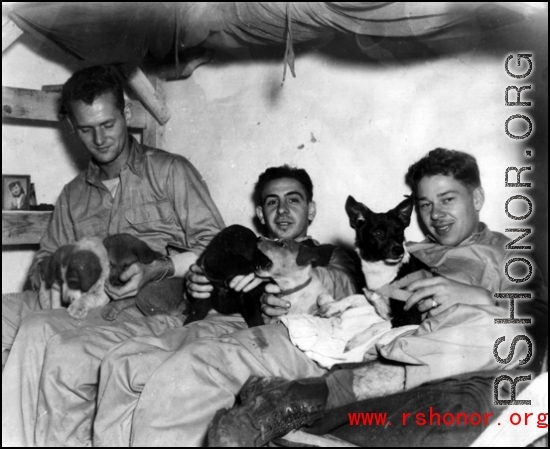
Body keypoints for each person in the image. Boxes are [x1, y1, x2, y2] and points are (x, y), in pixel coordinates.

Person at [132, 148, 547, 447]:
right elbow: (353, 289)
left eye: (448, 199)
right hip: (386, 339)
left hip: (449, 335)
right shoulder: (411, 252)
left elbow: (537, 316)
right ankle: (303, 402)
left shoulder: (506, 255)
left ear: (476, 198)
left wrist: (474, 293)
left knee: (505, 332)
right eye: (425, 203)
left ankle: (300, 400)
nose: (435, 213)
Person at [25, 165, 358, 447]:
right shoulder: (244, 247)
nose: (282, 210)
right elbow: (202, 276)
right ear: (261, 213)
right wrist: (201, 280)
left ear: (311, 210)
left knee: (158, 373)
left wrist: (280, 271)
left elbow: (343, 285)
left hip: (265, 336)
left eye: (293, 200)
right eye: (272, 202)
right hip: (205, 321)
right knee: (116, 362)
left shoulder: (328, 253)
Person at [1, 65, 225, 447]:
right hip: (80, 300)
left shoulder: (170, 172)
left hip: (146, 305)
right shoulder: (74, 193)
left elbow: (218, 252)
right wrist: (67, 270)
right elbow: (42, 267)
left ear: (125, 112)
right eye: (86, 129)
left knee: (39, 330)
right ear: (72, 127)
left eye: (108, 124)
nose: (100, 138)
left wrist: (158, 267)